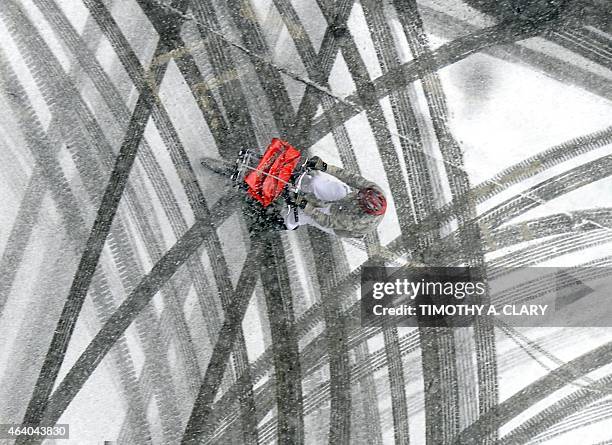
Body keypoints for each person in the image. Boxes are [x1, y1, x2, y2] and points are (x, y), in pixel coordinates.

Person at [281, 156, 387, 238]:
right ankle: (300, 182)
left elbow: (327, 221)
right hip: (348, 200)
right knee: (324, 186)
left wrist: (305, 205)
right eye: (361, 193)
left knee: (308, 216)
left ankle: (286, 220)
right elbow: (349, 177)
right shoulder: (374, 189)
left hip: (341, 223)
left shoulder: (360, 222)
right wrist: (324, 166)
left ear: (364, 208)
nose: (359, 196)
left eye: (361, 199)